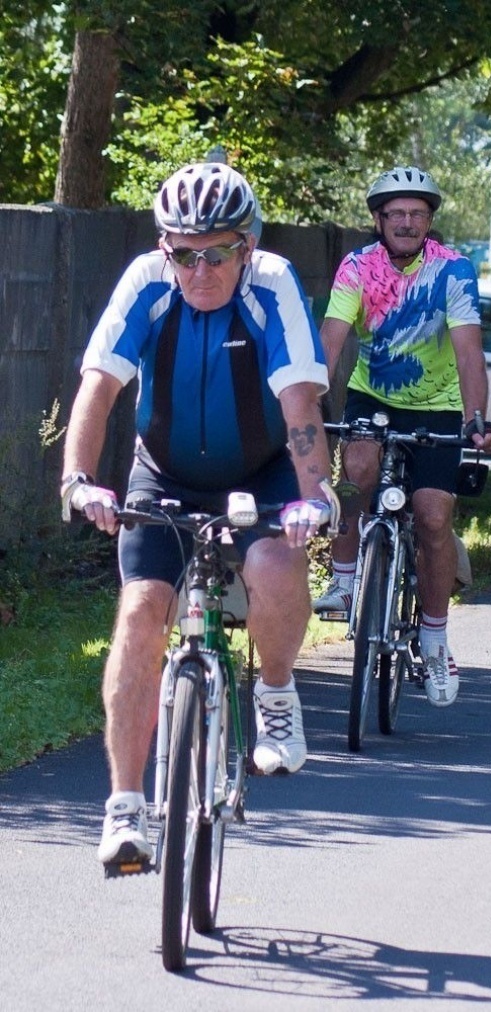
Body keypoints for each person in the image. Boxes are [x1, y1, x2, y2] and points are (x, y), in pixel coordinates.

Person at [61, 162, 336, 867]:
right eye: (184, 252)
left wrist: (316, 496)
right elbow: (98, 389)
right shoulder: (147, 283)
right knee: (139, 611)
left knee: (275, 561)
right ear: (165, 249)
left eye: (217, 251)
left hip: (261, 470)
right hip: (166, 472)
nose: (200, 268)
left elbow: (299, 404)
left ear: (247, 246)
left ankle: (275, 693)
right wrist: (78, 481)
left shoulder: (272, 286)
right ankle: (125, 809)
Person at [313, 166, 491, 708]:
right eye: (396, 213)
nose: (407, 222)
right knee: (358, 473)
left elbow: (468, 349)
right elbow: (331, 342)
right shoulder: (357, 267)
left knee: (433, 517)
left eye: (418, 213)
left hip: (438, 407)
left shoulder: (454, 271)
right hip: (374, 395)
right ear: (378, 220)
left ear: (430, 221)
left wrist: (476, 418)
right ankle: (347, 577)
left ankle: (436, 638)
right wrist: (303, 405)